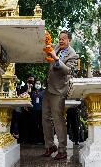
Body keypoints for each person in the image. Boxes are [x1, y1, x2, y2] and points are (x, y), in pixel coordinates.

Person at [41, 30, 78, 160]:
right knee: (45, 117)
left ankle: (62, 150)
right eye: (60, 38)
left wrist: (56, 58)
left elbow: (68, 71)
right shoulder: (56, 46)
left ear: (69, 40)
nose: (61, 41)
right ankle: (50, 146)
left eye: (63, 39)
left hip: (59, 90)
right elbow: (46, 47)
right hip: (48, 87)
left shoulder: (73, 54)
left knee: (58, 120)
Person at [29, 80, 45, 144]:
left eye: (39, 83)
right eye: (36, 83)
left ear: (41, 85)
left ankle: (42, 140)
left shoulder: (43, 92)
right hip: (34, 110)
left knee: (42, 126)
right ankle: (34, 140)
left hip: (41, 111)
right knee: (34, 125)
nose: (37, 85)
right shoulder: (32, 92)